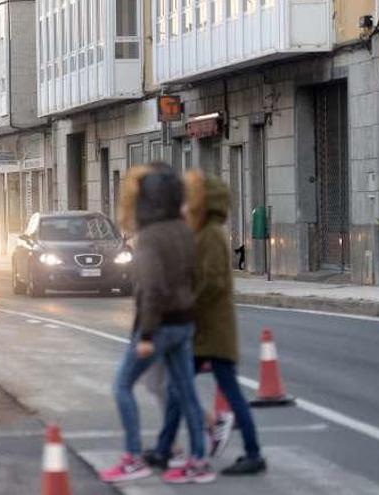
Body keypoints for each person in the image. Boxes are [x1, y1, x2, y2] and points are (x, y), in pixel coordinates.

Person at [146, 171, 267, 476]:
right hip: (203, 331)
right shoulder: (200, 232)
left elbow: (211, 282)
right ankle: (163, 449)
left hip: (212, 331)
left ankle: (253, 453)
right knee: (177, 387)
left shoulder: (211, 233)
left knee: (223, 390)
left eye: (191, 197)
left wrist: (186, 305)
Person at [100, 163, 214, 485]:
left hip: (159, 325)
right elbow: (195, 279)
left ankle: (132, 458)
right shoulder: (184, 230)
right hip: (184, 323)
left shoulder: (148, 238)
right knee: (186, 393)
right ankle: (198, 461)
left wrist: (146, 334)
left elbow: (151, 289)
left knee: (123, 386)